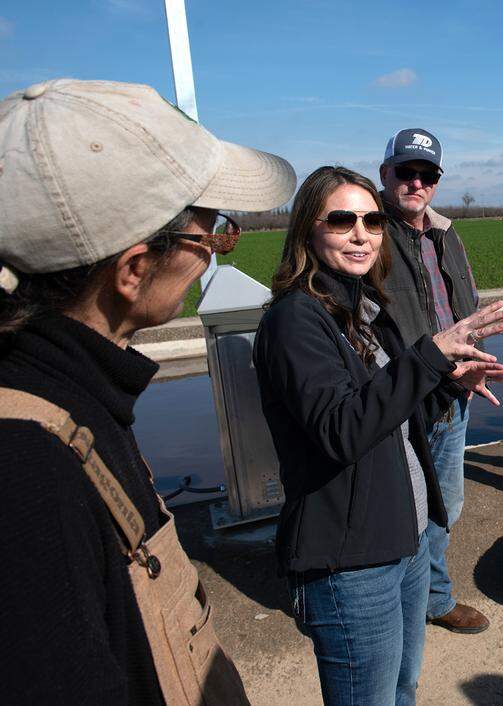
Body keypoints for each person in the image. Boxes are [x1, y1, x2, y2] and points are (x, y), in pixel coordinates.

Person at [0, 78, 295, 703]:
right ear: (134, 271)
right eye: (210, 236)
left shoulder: (70, 392)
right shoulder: (29, 477)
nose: (211, 258)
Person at [253, 166, 503, 704]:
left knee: (402, 686)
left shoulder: (367, 309)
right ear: (308, 229)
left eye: (372, 221)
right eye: (343, 220)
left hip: (408, 538)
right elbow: (341, 430)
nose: (361, 233)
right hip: (352, 561)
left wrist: (448, 383)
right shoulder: (295, 320)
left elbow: (393, 411)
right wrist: (428, 357)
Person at [376, 128, 490, 634]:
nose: (416, 183)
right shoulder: (369, 232)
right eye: (407, 172)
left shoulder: (446, 232)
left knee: (446, 503)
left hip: (453, 393)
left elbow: (463, 307)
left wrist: (476, 362)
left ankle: (433, 598)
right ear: (386, 174)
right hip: (401, 398)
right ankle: (404, 604)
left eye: (427, 175)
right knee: (402, 509)